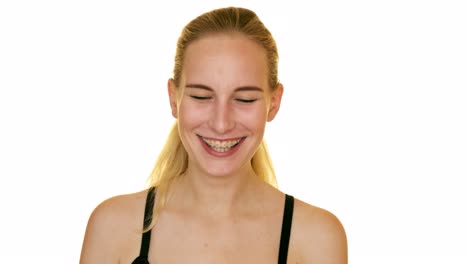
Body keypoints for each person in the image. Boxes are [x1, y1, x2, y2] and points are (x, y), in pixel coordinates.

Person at [80, 6, 347, 264]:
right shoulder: (113, 227)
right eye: (201, 96)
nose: (221, 124)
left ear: (274, 103)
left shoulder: (316, 237)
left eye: (244, 99)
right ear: (174, 99)